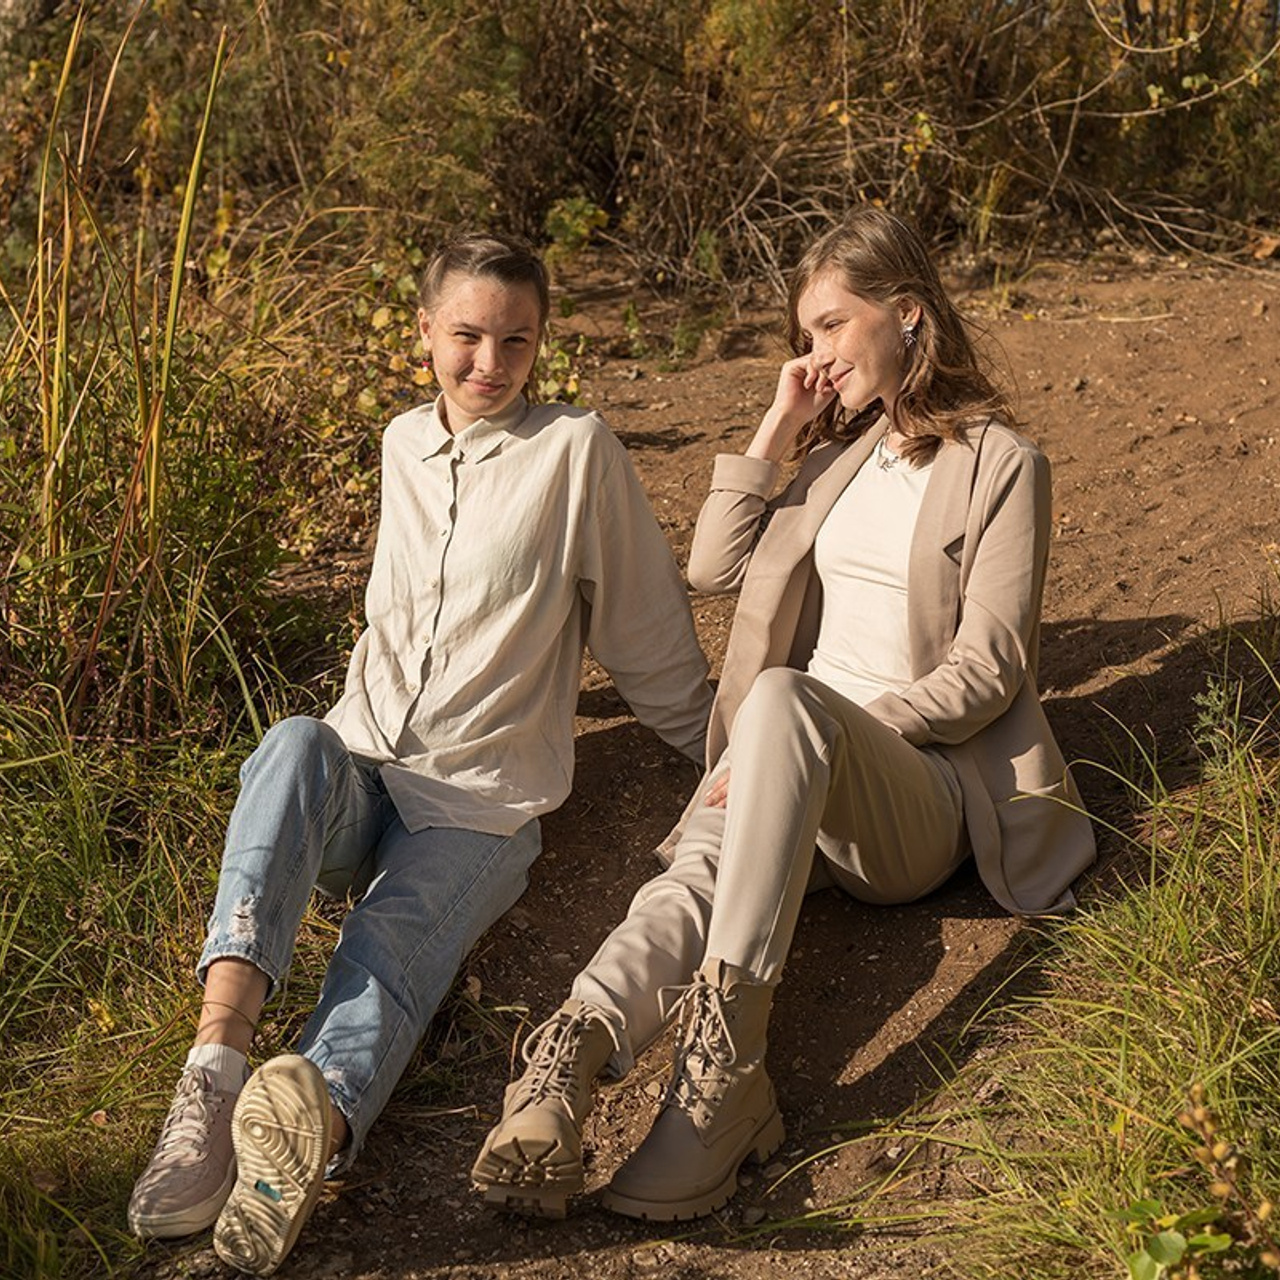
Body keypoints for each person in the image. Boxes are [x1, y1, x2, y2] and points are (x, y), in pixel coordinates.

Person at [471, 206, 1097, 1222]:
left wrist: (801, 730)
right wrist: (778, 427)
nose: (813, 352)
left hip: (919, 789)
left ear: (904, 315)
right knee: (695, 875)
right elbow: (713, 564)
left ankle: (720, 1083)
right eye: (803, 334)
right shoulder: (838, 461)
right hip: (795, 751)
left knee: (778, 704)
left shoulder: (1000, 464)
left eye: (828, 327)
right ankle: (566, 1058)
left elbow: (990, 666)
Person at [126, 232, 713, 1273]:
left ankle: (305, 1139)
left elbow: (640, 621)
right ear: (424, 334)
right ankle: (213, 1071)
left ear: (541, 344)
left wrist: (710, 741)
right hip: (363, 764)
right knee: (293, 742)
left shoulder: (573, 452)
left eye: (516, 341)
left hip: (480, 800)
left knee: (389, 948)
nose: (490, 362)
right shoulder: (402, 442)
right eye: (467, 337)